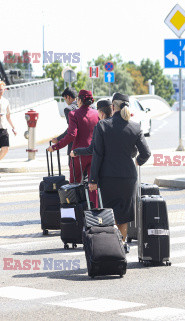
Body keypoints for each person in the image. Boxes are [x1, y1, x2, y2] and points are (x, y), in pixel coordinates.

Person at [89, 93, 151, 253]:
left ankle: (112, 250)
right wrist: (137, 162)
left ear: (113, 107)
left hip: (107, 178)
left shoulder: (102, 126)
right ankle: (121, 248)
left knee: (109, 216)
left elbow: (98, 155)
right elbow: (146, 153)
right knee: (123, 216)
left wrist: (93, 180)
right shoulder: (135, 127)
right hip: (128, 178)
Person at [47, 90, 99, 200]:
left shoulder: (73, 114)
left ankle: (76, 212)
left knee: (74, 185)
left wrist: (55, 147)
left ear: (79, 100)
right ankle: (94, 210)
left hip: (78, 154)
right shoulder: (96, 113)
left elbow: (71, 135)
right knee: (93, 184)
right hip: (94, 153)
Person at [51, 87, 78, 156]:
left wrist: (58, 139)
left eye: (65, 99)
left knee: (72, 165)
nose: (66, 101)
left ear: (68, 97)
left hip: (74, 145)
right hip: (87, 145)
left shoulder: (69, 109)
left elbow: (71, 129)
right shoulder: (86, 106)